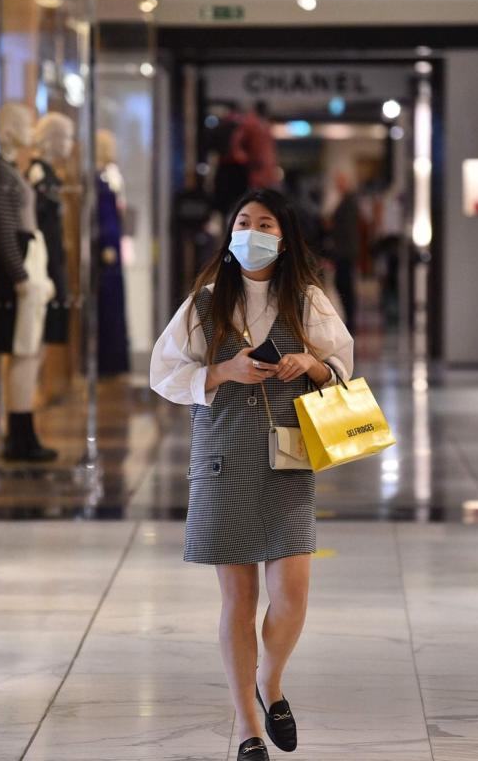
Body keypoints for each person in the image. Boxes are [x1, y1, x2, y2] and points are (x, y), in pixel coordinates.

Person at [150, 189, 353, 761]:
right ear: (230, 232)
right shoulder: (206, 302)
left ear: (283, 238)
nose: (252, 231)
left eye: (264, 224)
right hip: (222, 459)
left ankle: (270, 682)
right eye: (243, 222)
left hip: (288, 457)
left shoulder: (308, 300)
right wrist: (223, 372)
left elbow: (342, 365)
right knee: (237, 600)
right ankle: (246, 727)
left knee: (290, 597)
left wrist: (311, 364)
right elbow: (163, 374)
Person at [328, 172, 361, 332]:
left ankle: (350, 321)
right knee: (342, 285)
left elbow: (347, 230)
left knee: (345, 286)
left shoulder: (348, 202)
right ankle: (349, 319)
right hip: (343, 251)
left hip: (345, 252)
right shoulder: (345, 201)